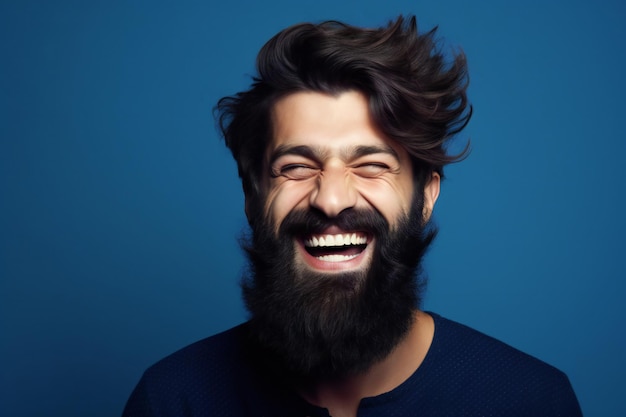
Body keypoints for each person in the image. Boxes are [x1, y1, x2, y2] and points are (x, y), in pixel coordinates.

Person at [122, 16, 582, 417]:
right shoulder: (173, 401)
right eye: (297, 167)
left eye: (371, 166)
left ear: (426, 196)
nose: (332, 200)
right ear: (252, 196)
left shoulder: (529, 400)